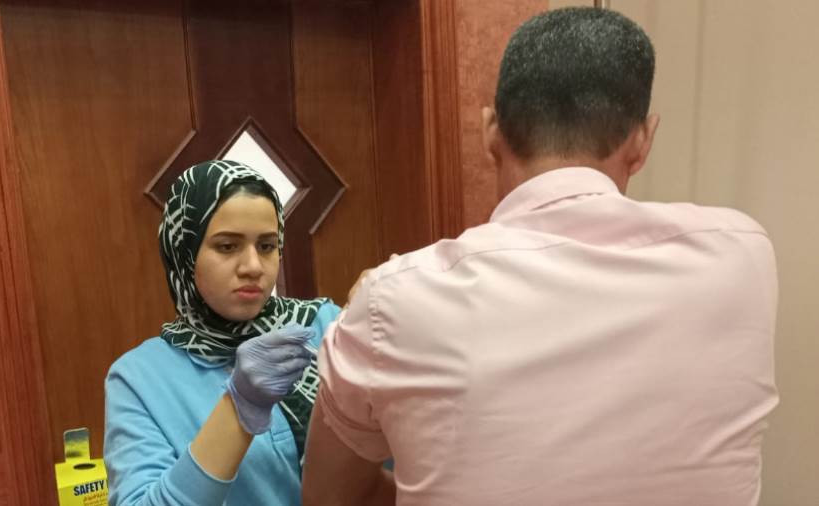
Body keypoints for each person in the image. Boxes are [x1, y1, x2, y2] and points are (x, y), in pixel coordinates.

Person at [302, 7, 778, 506]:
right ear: (642, 141)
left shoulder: (393, 302)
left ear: (491, 131)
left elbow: (331, 500)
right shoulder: (741, 257)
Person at [104, 160, 340, 505]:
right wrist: (239, 406)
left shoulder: (321, 325)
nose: (253, 267)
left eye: (266, 246)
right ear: (185, 254)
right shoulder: (140, 379)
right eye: (227, 246)